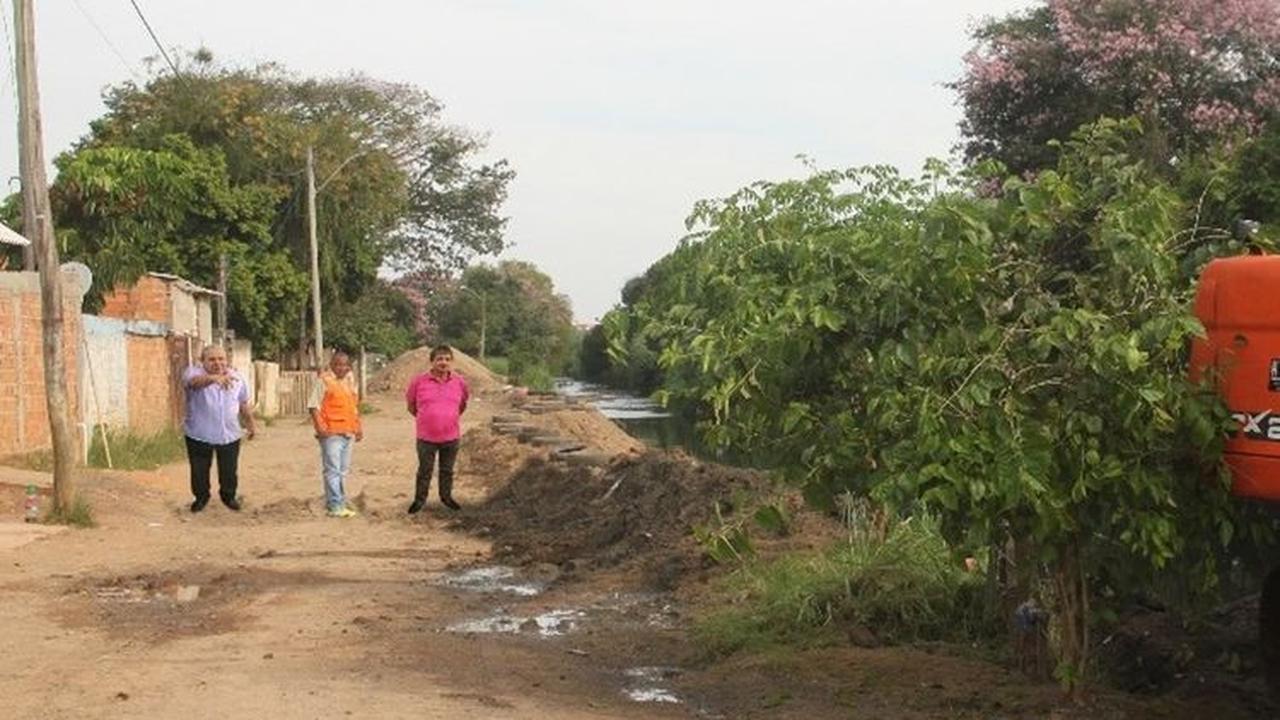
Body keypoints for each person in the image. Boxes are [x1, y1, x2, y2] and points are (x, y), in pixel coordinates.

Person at [183, 345, 257, 512]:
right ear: (203, 361)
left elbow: (243, 403)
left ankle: (228, 496)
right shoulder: (193, 373)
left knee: (229, 470)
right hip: (199, 433)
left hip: (229, 434)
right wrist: (213, 379)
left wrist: (251, 424)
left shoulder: (237, 378)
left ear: (227, 360)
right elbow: (193, 384)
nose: (217, 363)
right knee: (199, 470)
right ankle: (201, 498)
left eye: (221, 359)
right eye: (212, 359)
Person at [405, 344, 469, 513]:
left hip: (451, 436)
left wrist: (448, 417)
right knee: (425, 471)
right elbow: (411, 405)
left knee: (447, 471)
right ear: (432, 362)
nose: (443, 362)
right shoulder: (419, 382)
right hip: (426, 437)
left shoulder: (459, 382)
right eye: (439, 359)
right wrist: (427, 418)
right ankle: (419, 501)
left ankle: (446, 498)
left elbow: (462, 405)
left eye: (447, 359)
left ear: (452, 362)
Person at [308, 351, 363, 518]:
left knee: (342, 470)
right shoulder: (324, 381)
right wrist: (320, 428)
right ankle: (334, 505)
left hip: (348, 432)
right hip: (331, 433)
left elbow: (353, 408)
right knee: (332, 470)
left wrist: (358, 427)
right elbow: (313, 406)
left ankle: (339, 500)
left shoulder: (348, 383)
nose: (342, 368)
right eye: (338, 364)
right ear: (332, 365)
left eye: (345, 365)